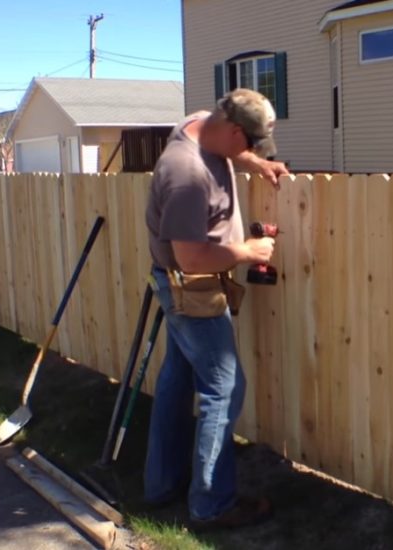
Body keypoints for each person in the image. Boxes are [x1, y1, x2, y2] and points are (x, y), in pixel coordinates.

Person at [143, 88, 289, 530]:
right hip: (193, 291)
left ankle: (162, 485)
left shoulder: (200, 123)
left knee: (177, 379)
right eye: (248, 144)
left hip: (183, 286)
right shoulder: (186, 175)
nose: (248, 153)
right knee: (224, 391)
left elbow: (226, 147)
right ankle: (211, 506)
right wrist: (247, 251)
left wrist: (256, 162)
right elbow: (191, 258)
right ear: (231, 130)